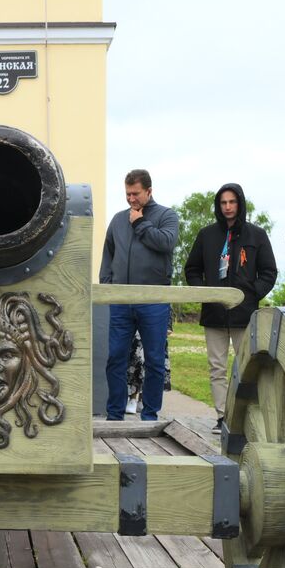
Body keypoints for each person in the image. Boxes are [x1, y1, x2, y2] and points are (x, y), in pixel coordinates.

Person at [182, 183, 278, 431]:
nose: (227, 207)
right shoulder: (207, 235)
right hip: (214, 315)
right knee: (217, 367)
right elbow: (192, 269)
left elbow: (269, 272)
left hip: (244, 316)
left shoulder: (256, 236)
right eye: (223, 203)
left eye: (232, 202)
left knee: (246, 368)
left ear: (240, 203)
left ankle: (245, 419)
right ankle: (223, 417)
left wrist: (251, 295)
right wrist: (205, 292)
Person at [99, 169, 180, 421]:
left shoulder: (167, 216)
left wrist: (140, 223)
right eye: (127, 194)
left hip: (153, 300)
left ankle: (150, 415)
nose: (131, 199)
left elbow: (166, 243)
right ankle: (114, 414)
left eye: (135, 194)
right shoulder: (116, 220)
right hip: (121, 301)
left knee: (154, 360)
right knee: (116, 358)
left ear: (149, 191)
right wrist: (108, 287)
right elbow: (108, 257)